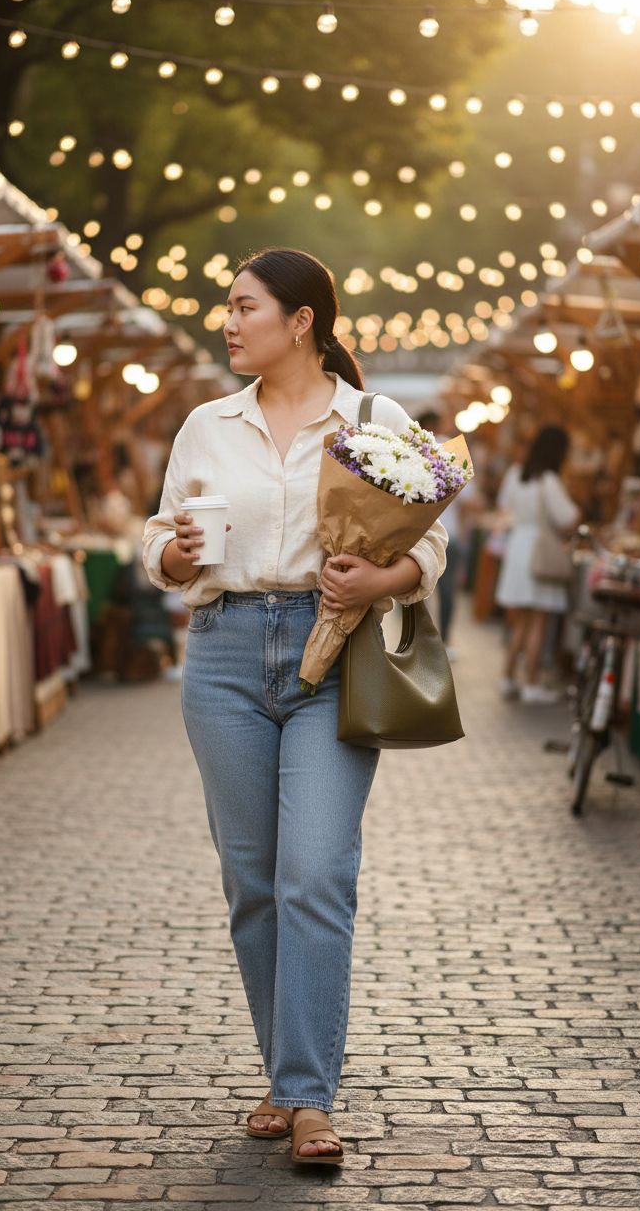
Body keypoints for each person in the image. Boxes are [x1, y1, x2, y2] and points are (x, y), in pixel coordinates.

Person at [142, 248, 447, 1165]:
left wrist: (379, 575)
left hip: (334, 654)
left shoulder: (373, 418)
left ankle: (309, 1098)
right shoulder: (207, 424)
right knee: (254, 882)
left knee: (315, 871)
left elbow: (432, 540)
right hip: (225, 656)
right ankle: (286, 1076)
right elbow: (159, 535)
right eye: (226, 308)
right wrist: (177, 559)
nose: (227, 323)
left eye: (243, 307)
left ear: (301, 320)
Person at [494, 424, 579, 705]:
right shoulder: (550, 480)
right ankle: (530, 682)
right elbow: (567, 517)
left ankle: (507, 678)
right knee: (538, 622)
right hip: (539, 551)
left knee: (519, 620)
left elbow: (503, 506)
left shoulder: (516, 474)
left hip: (518, 546)